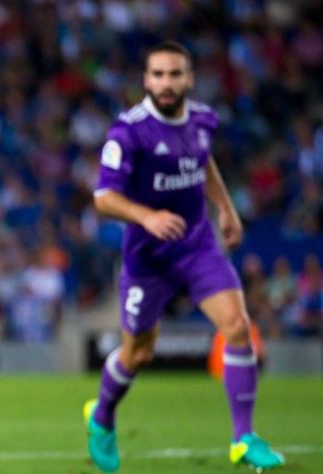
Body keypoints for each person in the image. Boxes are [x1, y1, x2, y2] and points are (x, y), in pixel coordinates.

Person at [84, 40, 285, 472]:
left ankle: (243, 438)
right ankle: (101, 417)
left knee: (236, 325)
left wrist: (226, 208)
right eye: (158, 74)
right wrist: (147, 215)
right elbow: (103, 197)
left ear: (189, 79)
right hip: (148, 258)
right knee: (137, 354)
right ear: (146, 81)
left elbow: (202, 162)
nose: (166, 82)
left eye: (175, 74)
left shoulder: (204, 120)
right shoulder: (128, 131)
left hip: (197, 246)